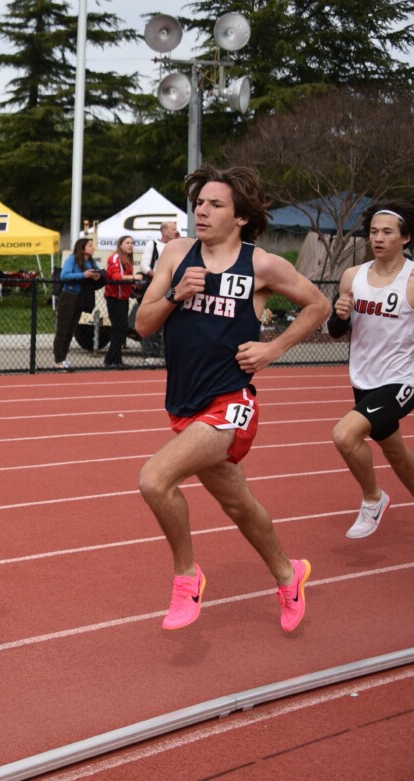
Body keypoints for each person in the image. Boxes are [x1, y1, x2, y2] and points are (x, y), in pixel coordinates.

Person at [135, 164, 330, 633]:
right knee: (239, 505)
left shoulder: (259, 263)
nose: (202, 211)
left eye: (215, 204)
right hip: (184, 402)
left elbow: (318, 306)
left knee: (154, 480)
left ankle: (188, 578)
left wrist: (273, 348)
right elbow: (143, 325)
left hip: (232, 401)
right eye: (199, 202)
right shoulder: (177, 254)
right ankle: (289, 574)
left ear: (240, 217)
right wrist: (177, 295)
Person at [327, 200, 414, 539]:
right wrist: (341, 315)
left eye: (387, 232)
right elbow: (335, 331)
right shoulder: (354, 276)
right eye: (374, 232)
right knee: (396, 452)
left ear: (405, 238)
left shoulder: (411, 280)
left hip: (402, 380)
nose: (378, 238)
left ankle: (373, 499)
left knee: (345, 435)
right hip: (364, 379)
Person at [132, 220, 179, 365]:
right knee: (151, 317)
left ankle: (166, 353)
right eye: (173, 229)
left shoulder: (178, 245)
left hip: (172, 285)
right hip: (156, 284)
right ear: (164, 231)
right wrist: (160, 277)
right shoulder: (153, 244)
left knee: (170, 320)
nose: (175, 231)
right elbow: (145, 266)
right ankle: (148, 354)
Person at [53, 238, 101, 372]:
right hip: (69, 296)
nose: (93, 248)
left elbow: (98, 272)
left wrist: (97, 275)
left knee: (71, 329)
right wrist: (83, 275)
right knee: (63, 328)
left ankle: (63, 358)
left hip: (81, 297)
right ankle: (58, 360)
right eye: (90, 245)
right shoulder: (72, 259)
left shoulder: (91, 261)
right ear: (82, 247)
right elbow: (64, 275)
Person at [103, 234, 142, 368]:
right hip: (114, 297)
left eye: (132, 243)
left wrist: (133, 285)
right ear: (120, 245)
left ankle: (117, 360)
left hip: (123, 297)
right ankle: (109, 360)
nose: (130, 245)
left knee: (120, 329)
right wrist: (132, 277)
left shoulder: (128, 259)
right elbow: (115, 276)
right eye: (127, 243)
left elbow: (125, 279)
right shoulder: (115, 258)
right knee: (120, 329)